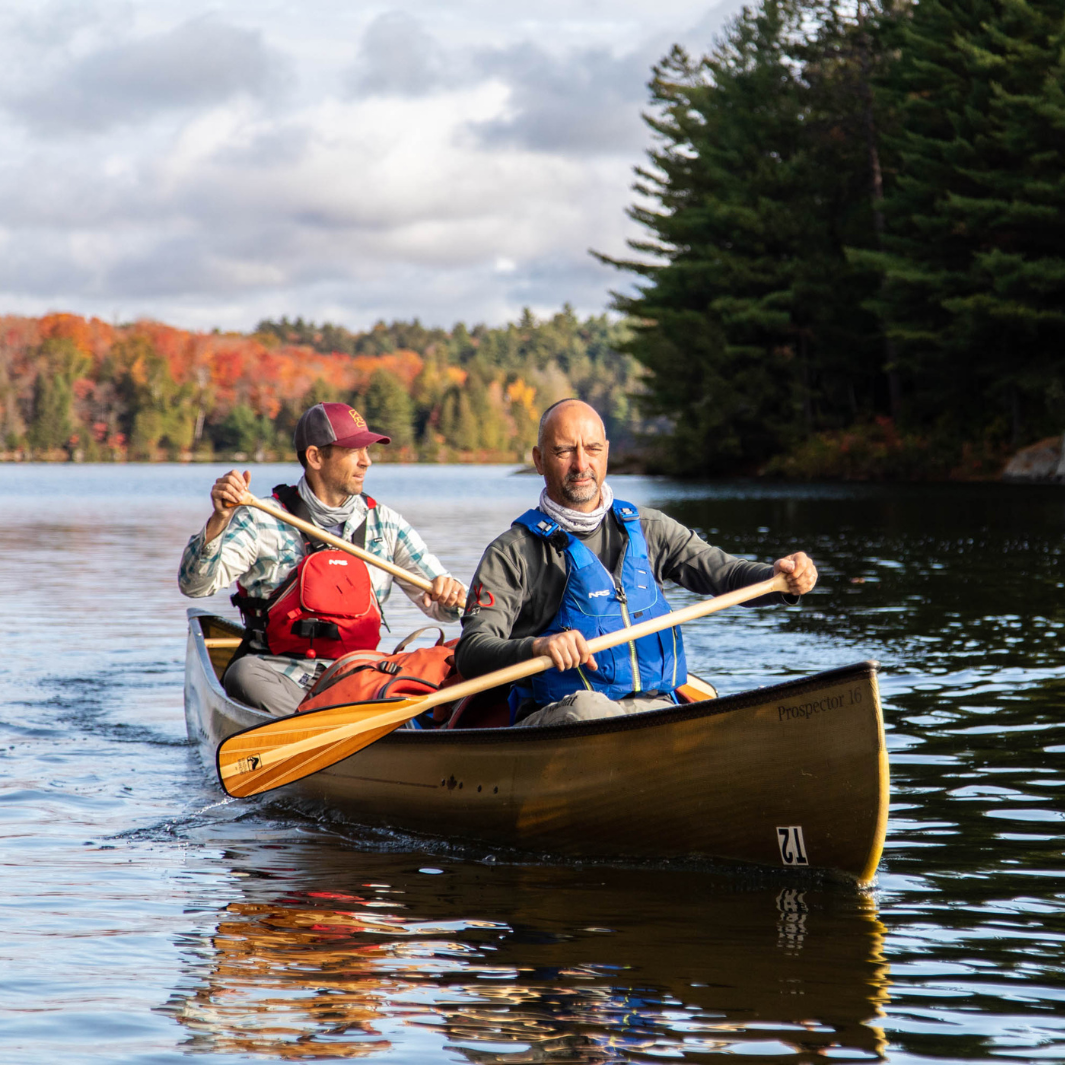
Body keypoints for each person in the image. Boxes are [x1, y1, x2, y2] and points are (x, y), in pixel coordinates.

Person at [455, 399, 818, 727]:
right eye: (564, 451)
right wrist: (535, 648)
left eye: (593, 449)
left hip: (651, 710)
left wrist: (780, 577)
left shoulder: (649, 528)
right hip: (563, 716)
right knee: (590, 711)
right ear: (538, 459)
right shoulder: (512, 552)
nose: (582, 464)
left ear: (607, 453)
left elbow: (727, 575)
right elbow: (471, 652)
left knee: (700, 715)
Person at [179, 402, 465, 716]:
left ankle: (342, 725)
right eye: (354, 450)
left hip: (357, 677)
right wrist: (219, 520)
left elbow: (446, 610)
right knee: (242, 675)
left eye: (367, 450)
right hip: (278, 677)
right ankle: (323, 727)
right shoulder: (261, 518)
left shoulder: (386, 525)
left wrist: (450, 594)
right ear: (315, 457)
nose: (366, 462)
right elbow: (195, 586)